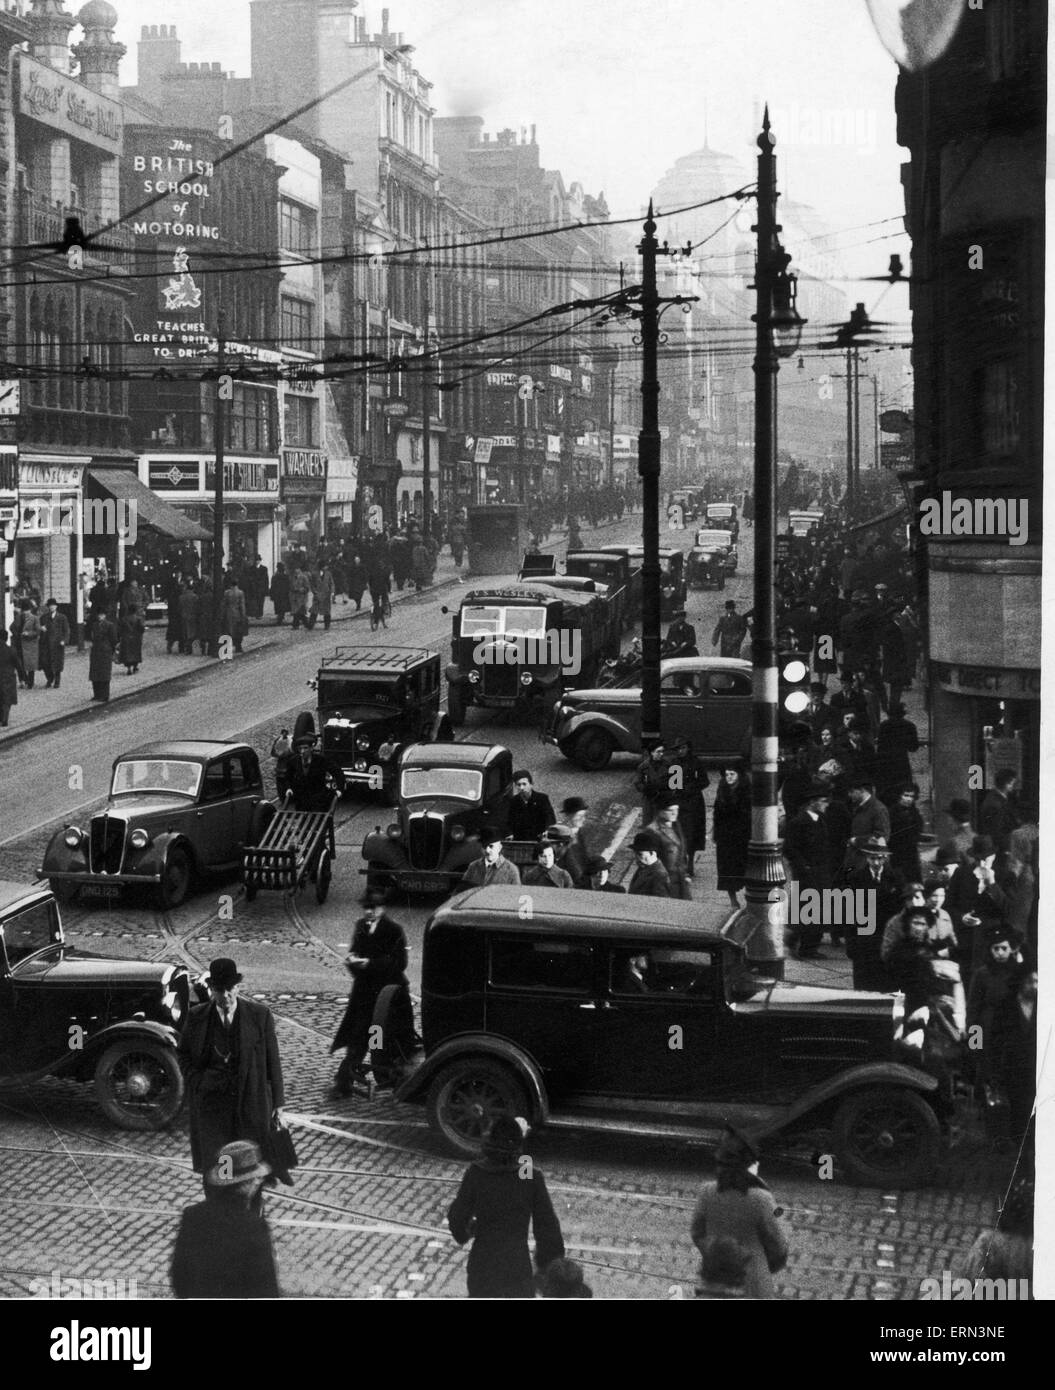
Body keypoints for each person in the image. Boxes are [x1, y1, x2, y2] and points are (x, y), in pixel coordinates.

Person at [178, 959, 286, 1195]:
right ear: (212, 990)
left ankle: (251, 1215)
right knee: (216, 1170)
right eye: (219, 990)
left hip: (250, 1106)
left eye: (230, 989)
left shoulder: (259, 1016)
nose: (225, 995)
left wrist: (278, 1104)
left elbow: (272, 1060)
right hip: (212, 1110)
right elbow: (183, 1055)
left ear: (238, 988)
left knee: (251, 1170)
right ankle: (218, 1215)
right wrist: (198, 1081)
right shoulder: (197, 1017)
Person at [448, 1114, 564, 1298]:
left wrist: (467, 1232)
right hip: (516, 1266)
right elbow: (547, 1226)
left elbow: (456, 1219)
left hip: (483, 1265)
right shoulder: (528, 1177)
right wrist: (548, 1264)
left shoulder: (477, 1173)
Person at [170, 1140, 280, 1299]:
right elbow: (266, 1290)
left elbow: (179, 1276)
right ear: (249, 1182)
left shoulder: (192, 1215)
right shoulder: (253, 1226)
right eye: (257, 1178)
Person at [690, 1127, 788, 1300]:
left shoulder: (707, 1192)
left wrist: (715, 1256)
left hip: (714, 1282)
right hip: (754, 1280)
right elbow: (778, 1245)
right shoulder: (761, 1198)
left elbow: (697, 1233)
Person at [330, 888, 411, 1094]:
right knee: (357, 1036)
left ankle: (387, 1076)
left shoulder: (394, 930)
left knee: (379, 1038)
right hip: (363, 995)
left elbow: (399, 963)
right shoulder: (360, 927)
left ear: (381, 908)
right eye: (365, 907)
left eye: (372, 907)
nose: (368, 911)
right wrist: (353, 961)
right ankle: (345, 1080)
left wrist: (371, 964)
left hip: (386, 998)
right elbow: (354, 951)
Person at [844, 836, 903, 990]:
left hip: (886, 937)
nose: (876, 863)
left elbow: (900, 913)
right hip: (863, 940)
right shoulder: (855, 879)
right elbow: (849, 914)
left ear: (885, 858)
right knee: (864, 985)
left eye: (879, 858)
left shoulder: (896, 879)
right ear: (866, 858)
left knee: (887, 984)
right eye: (872, 858)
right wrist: (850, 943)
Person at [783, 780, 832, 957]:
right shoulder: (799, 822)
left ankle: (807, 944)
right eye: (824, 801)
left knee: (817, 910)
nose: (827, 804)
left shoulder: (821, 820)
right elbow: (790, 849)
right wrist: (803, 867)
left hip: (820, 871)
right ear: (813, 802)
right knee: (807, 909)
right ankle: (804, 945)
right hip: (807, 873)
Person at [713, 767, 751, 909]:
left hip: (743, 836)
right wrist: (716, 834)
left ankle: (749, 898)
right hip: (726, 836)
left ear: (739, 775)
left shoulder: (746, 791)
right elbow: (717, 814)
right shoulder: (722, 790)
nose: (728, 777)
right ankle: (733, 900)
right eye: (727, 774)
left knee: (745, 868)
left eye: (732, 774)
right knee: (727, 870)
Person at [646, 796, 692, 899]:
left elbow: (681, 852)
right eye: (670, 810)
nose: (675, 813)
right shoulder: (652, 831)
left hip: (680, 879)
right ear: (660, 812)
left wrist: (686, 874)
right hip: (666, 882)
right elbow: (651, 861)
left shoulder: (676, 825)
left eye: (677, 809)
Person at [506, 770, 556, 842]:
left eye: (524, 784)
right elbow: (509, 821)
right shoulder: (513, 801)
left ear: (531, 784)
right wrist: (510, 834)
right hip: (520, 840)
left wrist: (547, 831)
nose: (521, 788)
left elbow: (550, 817)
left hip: (539, 839)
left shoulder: (542, 799)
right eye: (518, 785)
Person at [979, 770, 1021, 858]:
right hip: (1000, 850)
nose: (1012, 787)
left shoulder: (1001, 799)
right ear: (1003, 784)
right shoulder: (994, 803)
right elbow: (996, 831)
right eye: (1010, 783)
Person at [888, 784, 923, 882]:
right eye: (906, 795)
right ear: (900, 796)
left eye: (911, 796)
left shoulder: (915, 813)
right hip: (895, 853)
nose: (908, 799)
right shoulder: (892, 813)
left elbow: (918, 830)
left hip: (911, 854)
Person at [559, 796, 594, 888]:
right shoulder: (559, 835)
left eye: (584, 815)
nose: (583, 819)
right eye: (579, 816)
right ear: (567, 816)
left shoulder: (580, 833)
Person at [628, 830, 671, 897]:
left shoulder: (660, 875)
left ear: (652, 853)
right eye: (635, 854)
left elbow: (660, 903)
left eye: (640, 854)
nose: (636, 858)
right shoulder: (643, 867)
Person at [87, 608, 118, 702]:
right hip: (96, 651)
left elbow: (114, 639)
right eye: (99, 615)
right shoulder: (94, 625)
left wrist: (111, 650)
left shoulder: (110, 625)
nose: (100, 616)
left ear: (105, 615)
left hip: (105, 651)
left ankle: (105, 695)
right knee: (95, 674)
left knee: (104, 674)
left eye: (102, 615)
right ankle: (96, 694)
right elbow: (91, 637)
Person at [40, 598, 69, 689]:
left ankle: (57, 680)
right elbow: (39, 628)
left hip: (57, 644)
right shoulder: (44, 617)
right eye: (50, 606)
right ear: (48, 607)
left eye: (53, 605)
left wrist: (64, 640)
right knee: (45, 662)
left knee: (57, 663)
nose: (52, 607)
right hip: (46, 644)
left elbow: (66, 630)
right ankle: (50, 678)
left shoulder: (62, 617)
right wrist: (41, 629)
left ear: (56, 606)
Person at [220, 574, 248, 654]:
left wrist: (222, 614)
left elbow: (223, 604)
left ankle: (226, 647)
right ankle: (238, 646)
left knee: (228, 631)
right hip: (237, 614)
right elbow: (242, 606)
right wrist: (243, 616)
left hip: (228, 614)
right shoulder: (240, 593)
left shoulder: (227, 592)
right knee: (238, 631)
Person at [16, 599, 40, 688]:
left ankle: (30, 682)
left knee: (30, 665)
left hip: (30, 644)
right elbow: (13, 627)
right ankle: (24, 680)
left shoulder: (34, 618)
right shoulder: (19, 617)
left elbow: (37, 631)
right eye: (24, 610)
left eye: (27, 610)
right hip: (20, 643)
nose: (26, 612)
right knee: (20, 663)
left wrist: (28, 634)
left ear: (30, 610)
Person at [118, 601, 145, 675]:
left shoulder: (124, 619)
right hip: (136, 638)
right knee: (135, 653)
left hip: (126, 638)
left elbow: (120, 629)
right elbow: (142, 628)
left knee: (127, 654)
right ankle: (135, 667)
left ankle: (129, 668)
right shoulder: (138, 619)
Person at [0, 631, 18, 728]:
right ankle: (4, 719)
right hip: (8, 677)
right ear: (6, 638)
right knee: (7, 699)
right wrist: (23, 678)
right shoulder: (11, 650)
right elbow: (18, 664)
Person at [290, 564, 312, 629]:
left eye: (297, 569)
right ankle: (305, 624)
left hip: (302, 597)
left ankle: (299, 625)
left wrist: (302, 590)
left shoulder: (304, 577)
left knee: (299, 612)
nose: (296, 571)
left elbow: (307, 588)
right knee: (297, 612)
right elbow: (291, 587)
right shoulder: (292, 578)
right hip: (295, 597)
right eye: (295, 570)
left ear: (300, 570)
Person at [317, 562, 336, 631]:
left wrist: (332, 592)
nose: (326, 568)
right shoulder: (316, 574)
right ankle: (310, 624)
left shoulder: (328, 574)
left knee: (327, 611)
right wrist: (315, 592)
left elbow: (332, 583)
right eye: (325, 566)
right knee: (315, 609)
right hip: (318, 594)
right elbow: (313, 584)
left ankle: (327, 625)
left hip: (327, 594)